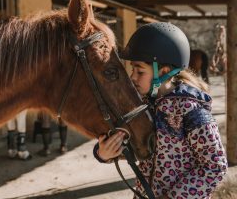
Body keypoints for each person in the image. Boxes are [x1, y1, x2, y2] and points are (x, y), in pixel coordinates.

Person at [93, 22, 227, 199]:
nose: (132, 77)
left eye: (140, 71)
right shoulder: (141, 106)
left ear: (163, 71)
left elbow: (215, 166)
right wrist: (104, 153)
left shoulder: (191, 111)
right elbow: (135, 147)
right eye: (133, 69)